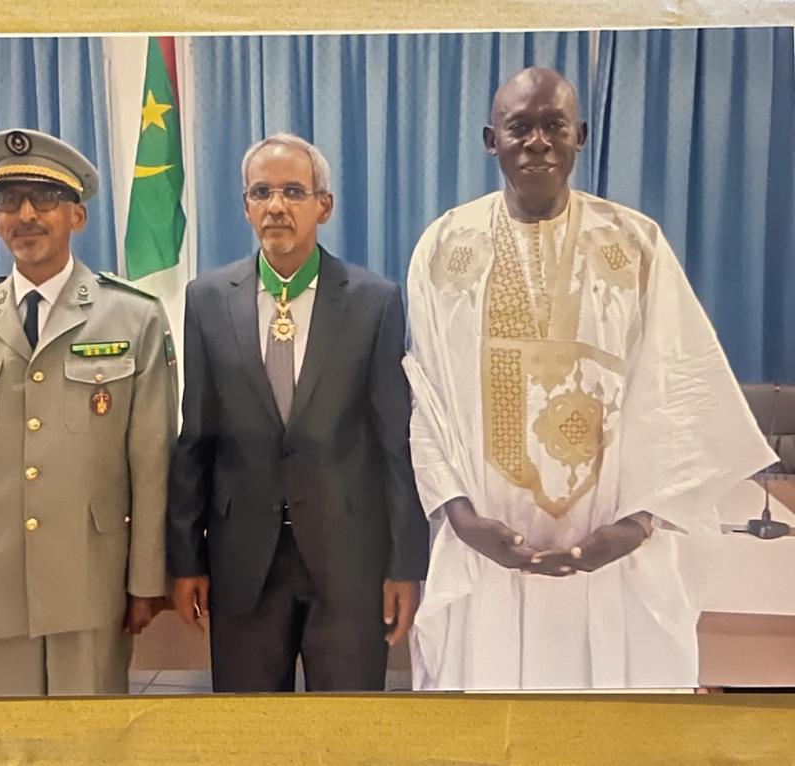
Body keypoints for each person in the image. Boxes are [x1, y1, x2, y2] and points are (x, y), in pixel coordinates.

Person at [403, 67, 777, 690]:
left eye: (554, 126)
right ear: (491, 139)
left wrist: (637, 524)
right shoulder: (443, 247)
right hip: (489, 555)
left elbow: (679, 386)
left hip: (614, 558)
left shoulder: (635, 243)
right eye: (520, 127)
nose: (538, 141)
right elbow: (428, 399)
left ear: (580, 135)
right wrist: (464, 521)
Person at [168, 133, 428, 692]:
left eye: (292, 191)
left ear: (323, 205)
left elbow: (394, 443)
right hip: (243, 563)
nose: (276, 206)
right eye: (261, 192)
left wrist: (406, 563)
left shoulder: (373, 301)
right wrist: (185, 558)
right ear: (245, 205)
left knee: (349, 733)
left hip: (349, 560)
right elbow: (196, 438)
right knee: (253, 736)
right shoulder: (207, 300)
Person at [0, 128, 178, 696]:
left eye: (45, 199)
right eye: (8, 201)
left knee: (86, 745)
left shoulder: (133, 318)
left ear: (77, 217)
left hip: (88, 577)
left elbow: (152, 461)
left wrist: (145, 582)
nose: (26, 215)